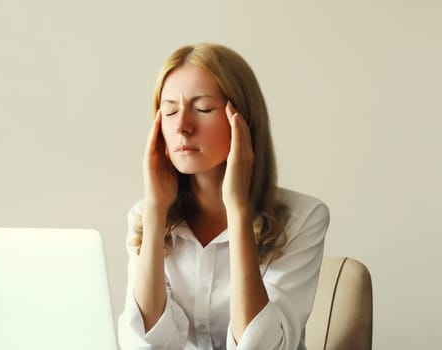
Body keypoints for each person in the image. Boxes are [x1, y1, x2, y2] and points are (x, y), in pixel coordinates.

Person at [117, 43, 330, 350]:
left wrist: (238, 209)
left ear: (242, 121)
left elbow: (260, 347)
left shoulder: (305, 217)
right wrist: (155, 208)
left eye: (202, 109)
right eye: (169, 110)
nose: (182, 126)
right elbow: (142, 344)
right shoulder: (145, 215)